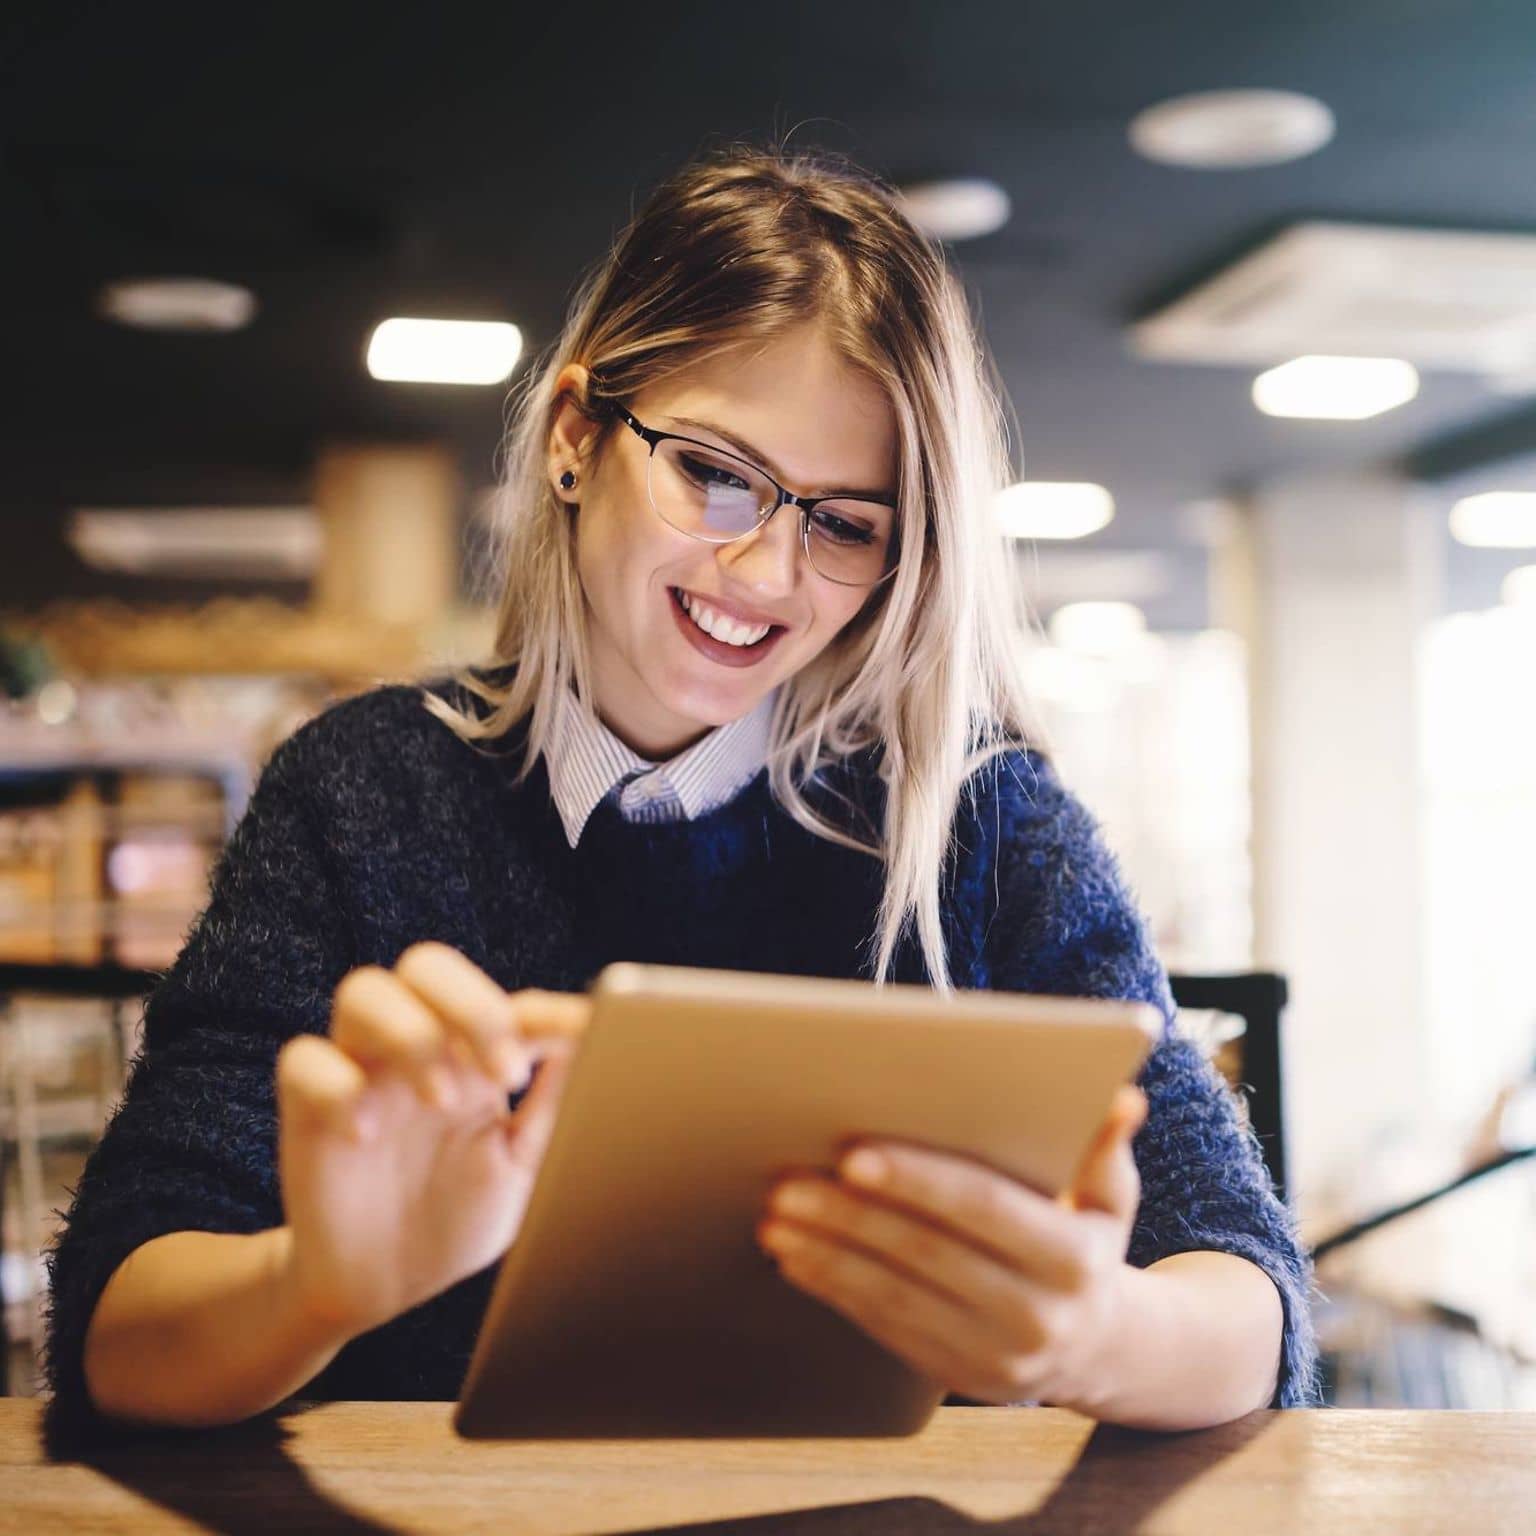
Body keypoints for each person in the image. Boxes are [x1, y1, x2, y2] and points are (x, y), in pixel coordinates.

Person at [44, 144, 1319, 1439]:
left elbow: (1247, 1293)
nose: (764, 572)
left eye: (846, 523)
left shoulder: (981, 818)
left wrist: (1100, 1333)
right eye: (714, 472)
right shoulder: (363, 789)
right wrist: (316, 1286)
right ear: (576, 438)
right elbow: (118, 1330)